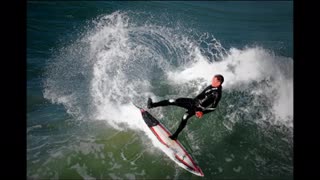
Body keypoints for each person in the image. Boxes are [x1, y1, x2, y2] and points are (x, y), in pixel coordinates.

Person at [147, 74, 224, 140]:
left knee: (185, 117)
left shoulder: (217, 94)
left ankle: (175, 136)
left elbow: (213, 108)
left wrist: (202, 112)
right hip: (192, 101)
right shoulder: (212, 86)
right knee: (172, 101)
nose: (211, 81)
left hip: (197, 108)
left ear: (218, 82)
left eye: (213, 80)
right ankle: (152, 105)